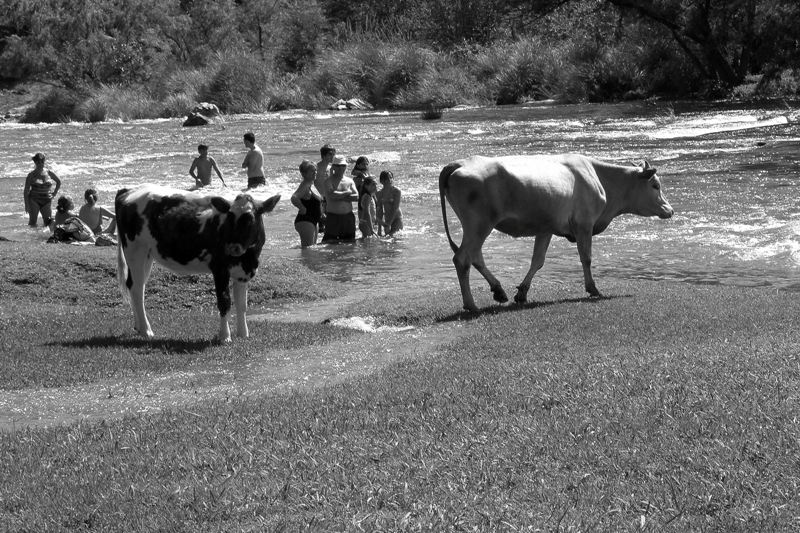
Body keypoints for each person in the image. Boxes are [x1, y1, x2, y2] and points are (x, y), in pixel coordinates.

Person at [321, 154, 359, 242]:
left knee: (350, 243)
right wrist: (347, 192)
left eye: (343, 166)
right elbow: (332, 195)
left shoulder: (349, 181)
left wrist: (339, 197)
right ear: (333, 167)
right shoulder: (328, 181)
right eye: (338, 166)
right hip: (333, 217)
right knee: (330, 242)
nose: (341, 168)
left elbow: (356, 197)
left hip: (348, 217)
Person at [23, 152, 61, 227]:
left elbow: (59, 181)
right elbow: (26, 191)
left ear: (44, 162)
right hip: (34, 200)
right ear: (35, 163)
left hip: (46, 200)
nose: (40, 164)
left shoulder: (48, 173)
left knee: (48, 222)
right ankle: (31, 237)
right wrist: (26, 203)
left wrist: (54, 194)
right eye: (38, 163)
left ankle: (44, 238)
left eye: (42, 162)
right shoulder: (31, 175)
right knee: (33, 221)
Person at [291, 160, 322, 247]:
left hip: (313, 221)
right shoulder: (304, 185)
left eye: (315, 170)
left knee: (313, 249)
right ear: (304, 173)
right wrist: (302, 208)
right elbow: (294, 198)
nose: (315, 172)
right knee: (307, 250)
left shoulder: (311, 184)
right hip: (305, 220)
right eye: (312, 171)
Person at [315, 144, 336, 233]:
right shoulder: (316, 167)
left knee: (330, 222)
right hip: (318, 198)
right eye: (330, 154)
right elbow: (311, 183)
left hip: (329, 197)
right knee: (319, 222)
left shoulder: (331, 168)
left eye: (333, 154)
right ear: (323, 155)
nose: (333, 156)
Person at [376, 170, 403, 236]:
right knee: (386, 242)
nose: (390, 180)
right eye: (387, 179)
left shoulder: (396, 191)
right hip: (387, 219)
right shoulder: (379, 194)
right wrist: (379, 229)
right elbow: (380, 212)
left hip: (397, 218)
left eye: (391, 178)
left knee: (394, 238)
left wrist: (389, 225)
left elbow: (395, 208)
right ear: (382, 181)